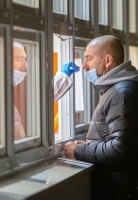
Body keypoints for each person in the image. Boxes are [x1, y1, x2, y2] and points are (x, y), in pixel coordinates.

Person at [64, 35, 138, 199]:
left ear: (108, 60)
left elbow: (120, 148)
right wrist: (91, 145)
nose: (84, 66)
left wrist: (80, 151)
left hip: (119, 187)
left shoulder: (121, 92)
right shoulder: (120, 87)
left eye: (89, 58)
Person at [13, 41, 80, 140]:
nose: (25, 65)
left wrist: (64, 75)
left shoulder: (12, 87)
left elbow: (42, 97)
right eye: (19, 59)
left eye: (25, 59)